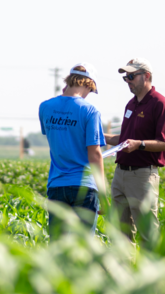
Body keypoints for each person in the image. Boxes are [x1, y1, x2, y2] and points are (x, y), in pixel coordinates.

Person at [104, 58, 165, 242]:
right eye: (126, 78)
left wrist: (140, 144)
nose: (128, 81)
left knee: (146, 233)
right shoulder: (131, 104)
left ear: (147, 76)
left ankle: (151, 269)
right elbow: (125, 140)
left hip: (142, 176)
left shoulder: (159, 103)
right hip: (120, 174)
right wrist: (101, 137)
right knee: (120, 232)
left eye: (132, 76)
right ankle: (122, 269)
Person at [38, 62, 106, 240]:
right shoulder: (90, 111)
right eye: (90, 91)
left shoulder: (45, 107)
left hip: (56, 185)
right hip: (84, 187)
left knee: (58, 245)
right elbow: (95, 154)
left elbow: (58, 136)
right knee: (84, 247)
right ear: (88, 84)